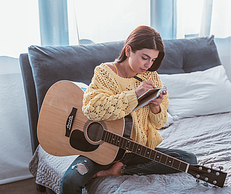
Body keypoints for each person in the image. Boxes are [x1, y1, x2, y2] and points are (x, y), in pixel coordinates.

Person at [59, 26, 197, 194]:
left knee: (189, 159)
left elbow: (159, 123)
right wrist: (135, 94)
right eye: (144, 57)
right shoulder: (105, 73)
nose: (148, 64)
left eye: (153, 60)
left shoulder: (152, 77)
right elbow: (92, 109)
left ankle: (120, 170)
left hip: (135, 149)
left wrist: (156, 107)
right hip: (101, 148)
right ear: (129, 50)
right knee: (70, 182)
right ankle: (112, 167)